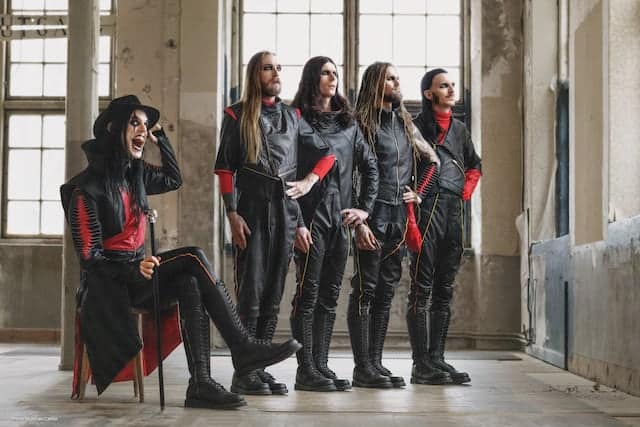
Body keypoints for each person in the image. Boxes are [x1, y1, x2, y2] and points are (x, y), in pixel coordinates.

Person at [61, 95, 301, 410]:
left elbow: (173, 179)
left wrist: (161, 137)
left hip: (137, 276)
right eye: (134, 123)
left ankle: (201, 383)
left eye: (146, 126)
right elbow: (90, 258)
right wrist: (132, 269)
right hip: (109, 287)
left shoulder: (136, 176)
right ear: (112, 129)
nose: (143, 131)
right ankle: (242, 346)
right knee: (193, 255)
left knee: (189, 282)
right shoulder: (86, 190)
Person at [214, 51, 319, 395]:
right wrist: (232, 214)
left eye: (278, 68)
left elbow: (326, 154)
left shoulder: (293, 116)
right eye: (268, 68)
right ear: (254, 74)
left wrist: (308, 184)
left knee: (273, 296)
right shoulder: (236, 114)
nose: (275, 73)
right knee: (251, 295)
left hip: (286, 213)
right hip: (252, 210)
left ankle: (259, 368)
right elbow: (225, 169)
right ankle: (243, 372)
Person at [349, 62, 444, 388]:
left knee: (385, 292)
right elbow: (350, 173)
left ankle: (375, 362)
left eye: (397, 78)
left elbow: (433, 161)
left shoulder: (404, 124)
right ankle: (362, 367)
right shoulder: (361, 124)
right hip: (371, 217)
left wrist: (419, 193)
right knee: (365, 290)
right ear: (376, 83)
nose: (397, 82)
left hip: (399, 220)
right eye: (390, 78)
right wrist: (358, 220)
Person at [289, 56, 379, 392]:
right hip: (310, 217)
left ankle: (321, 365)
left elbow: (371, 168)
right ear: (312, 78)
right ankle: (305, 369)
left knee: (330, 294)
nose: (333, 78)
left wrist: (364, 210)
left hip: (340, 220)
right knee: (307, 293)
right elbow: (285, 173)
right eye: (326, 73)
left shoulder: (348, 125)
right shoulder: (295, 119)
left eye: (335, 73)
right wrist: (296, 221)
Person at [408, 68, 482, 385]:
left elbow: (475, 165)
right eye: (443, 86)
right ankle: (421, 364)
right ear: (429, 94)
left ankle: (437, 358)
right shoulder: (415, 127)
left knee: (445, 290)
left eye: (452, 85)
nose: (451, 90)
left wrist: (465, 192)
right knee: (421, 289)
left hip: (454, 211)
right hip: (427, 208)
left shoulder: (460, 129)